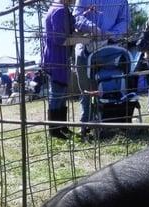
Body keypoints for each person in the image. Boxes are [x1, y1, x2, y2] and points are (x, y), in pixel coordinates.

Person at [73, 0, 130, 136]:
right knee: (86, 88)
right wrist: (92, 28)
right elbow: (76, 16)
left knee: (107, 84)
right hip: (84, 45)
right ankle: (85, 123)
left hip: (109, 46)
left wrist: (112, 33)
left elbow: (125, 20)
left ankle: (108, 121)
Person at [43, 0, 76, 139]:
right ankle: (55, 130)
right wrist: (80, 40)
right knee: (57, 93)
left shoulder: (59, 8)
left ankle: (62, 126)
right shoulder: (59, 10)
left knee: (61, 91)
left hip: (58, 57)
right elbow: (59, 39)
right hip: (57, 58)